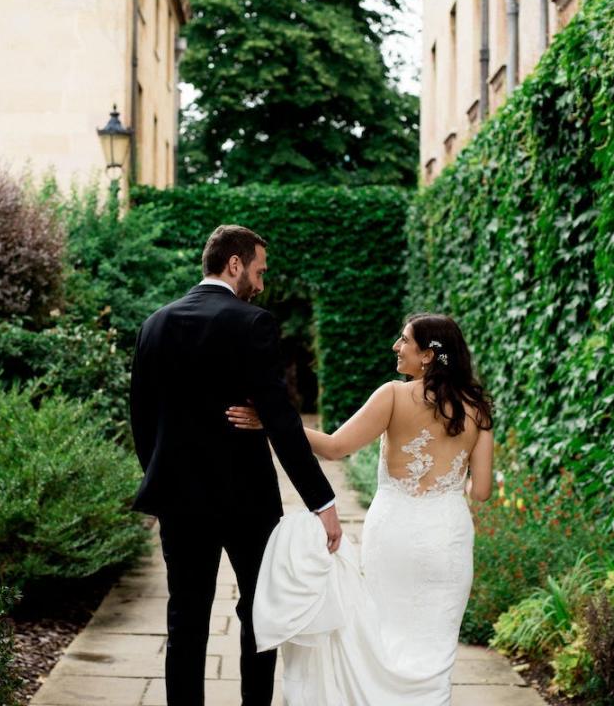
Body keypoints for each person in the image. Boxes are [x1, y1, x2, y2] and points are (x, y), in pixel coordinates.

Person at [227, 313, 494, 705]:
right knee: (435, 644)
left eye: (404, 340)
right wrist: (454, 480)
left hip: (394, 534)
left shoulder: (393, 395)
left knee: (383, 633)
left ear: (428, 356)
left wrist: (274, 424)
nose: (396, 347)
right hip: (447, 538)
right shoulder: (479, 408)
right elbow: (482, 491)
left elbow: (336, 447)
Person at [130, 224, 343, 706]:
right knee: (258, 614)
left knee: (185, 618)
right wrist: (321, 501)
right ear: (234, 264)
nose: (261, 284)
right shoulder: (252, 323)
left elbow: (142, 422)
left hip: (179, 501)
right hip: (245, 502)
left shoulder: (154, 324)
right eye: (259, 271)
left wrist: (160, 479)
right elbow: (284, 422)